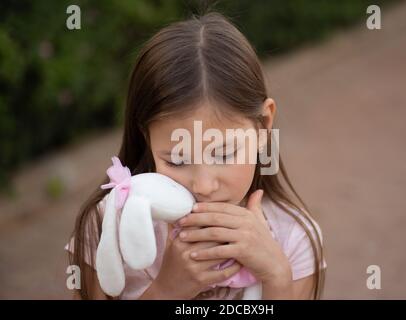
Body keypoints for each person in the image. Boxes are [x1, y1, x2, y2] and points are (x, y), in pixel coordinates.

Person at [67, 11, 326, 300]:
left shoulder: (294, 238)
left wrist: (277, 276)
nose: (203, 186)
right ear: (146, 137)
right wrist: (166, 290)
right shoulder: (108, 228)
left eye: (225, 154)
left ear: (264, 125)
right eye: (176, 160)